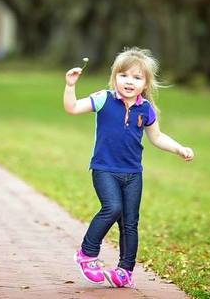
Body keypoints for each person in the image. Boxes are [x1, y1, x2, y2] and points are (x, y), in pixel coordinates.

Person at [64, 47, 194, 289]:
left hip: (133, 174)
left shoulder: (146, 109)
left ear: (145, 83)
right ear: (115, 78)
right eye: (124, 75)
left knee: (130, 222)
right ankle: (87, 254)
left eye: (137, 77)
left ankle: (125, 271)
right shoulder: (104, 98)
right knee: (112, 208)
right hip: (104, 169)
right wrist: (71, 86)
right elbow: (72, 108)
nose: (129, 81)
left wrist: (179, 148)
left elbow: (157, 138)